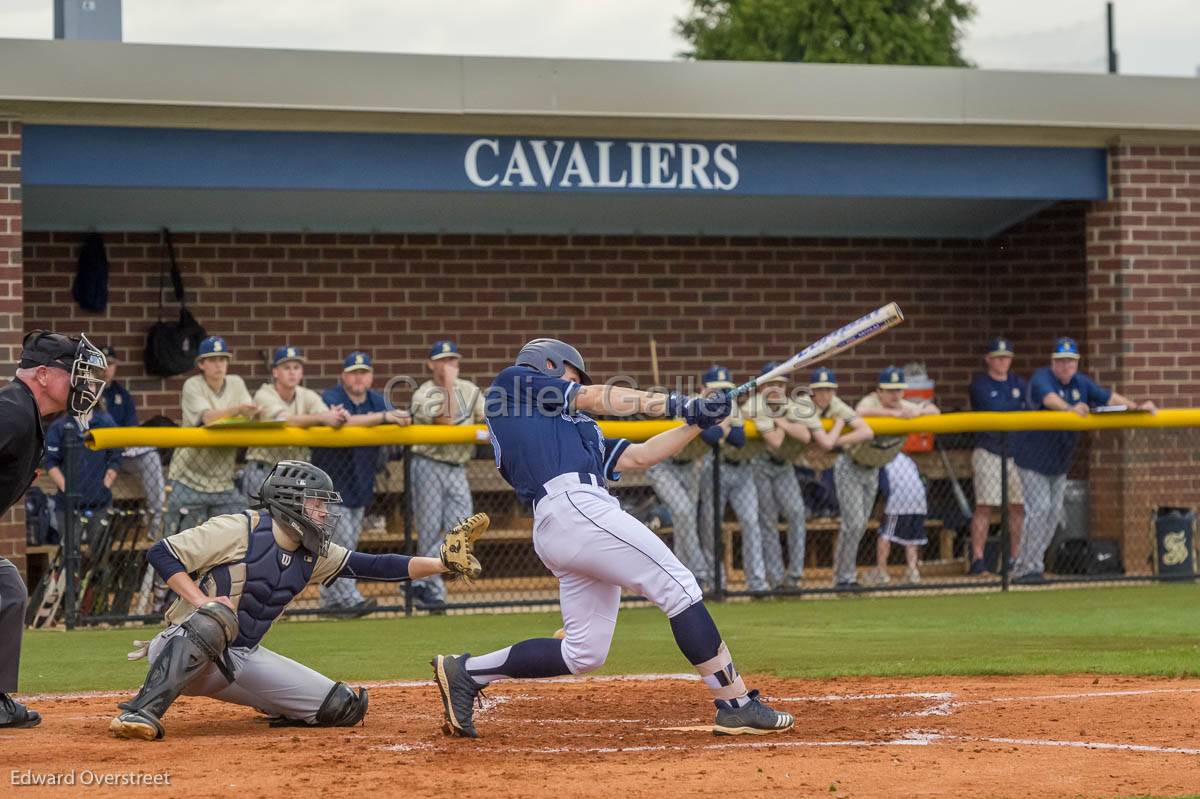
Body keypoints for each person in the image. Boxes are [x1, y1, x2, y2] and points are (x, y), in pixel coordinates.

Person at [431, 339, 794, 739]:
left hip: (572, 519)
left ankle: (465, 672)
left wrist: (697, 422)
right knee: (679, 587)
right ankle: (736, 703)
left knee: (583, 653)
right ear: (548, 364)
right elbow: (591, 396)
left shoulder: (570, 427)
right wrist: (680, 403)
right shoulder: (514, 383)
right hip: (573, 506)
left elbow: (639, 456)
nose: (576, 383)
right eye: (571, 374)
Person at [109, 460, 485, 740]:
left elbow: (375, 565)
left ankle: (275, 704)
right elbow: (161, 552)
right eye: (316, 504)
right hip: (182, 645)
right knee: (214, 619)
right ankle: (141, 711)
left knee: (342, 708)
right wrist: (201, 600)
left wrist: (441, 563)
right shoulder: (240, 528)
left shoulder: (313, 551)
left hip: (240, 660)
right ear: (290, 502)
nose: (324, 513)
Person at [0, 330, 107, 729]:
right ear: (43, 375)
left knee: (7, 586)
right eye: (73, 373)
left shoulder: (24, 412)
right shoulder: (11, 409)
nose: (83, 383)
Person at [1012, 337, 1155, 584]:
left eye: (1070, 361)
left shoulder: (1081, 382)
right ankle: (1025, 568)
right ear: (1053, 362)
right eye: (1060, 361)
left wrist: (1136, 406)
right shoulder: (1042, 377)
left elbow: (1107, 397)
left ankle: (1033, 563)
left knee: (1054, 513)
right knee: (1039, 510)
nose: (1065, 366)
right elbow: (1048, 399)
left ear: (1076, 363)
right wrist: (1070, 408)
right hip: (1032, 459)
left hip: (1058, 461)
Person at [312, 351, 412, 615]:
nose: (358, 378)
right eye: (353, 373)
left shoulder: (376, 399)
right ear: (344, 376)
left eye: (363, 372)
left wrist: (397, 416)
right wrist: (382, 418)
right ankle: (349, 598)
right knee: (341, 545)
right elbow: (343, 423)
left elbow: (400, 418)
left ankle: (330, 600)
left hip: (361, 483)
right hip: (332, 485)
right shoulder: (332, 397)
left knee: (346, 544)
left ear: (370, 377)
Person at [836, 367, 939, 589]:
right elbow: (860, 411)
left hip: (872, 469)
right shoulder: (871, 402)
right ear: (879, 391)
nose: (895, 395)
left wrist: (917, 410)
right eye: (889, 390)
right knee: (853, 523)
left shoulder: (905, 405)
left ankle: (844, 575)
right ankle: (844, 577)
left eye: (898, 390)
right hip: (851, 466)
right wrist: (896, 416)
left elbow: (934, 411)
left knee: (860, 525)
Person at [407, 341, 485, 611]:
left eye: (452, 359)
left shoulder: (470, 389)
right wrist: (449, 386)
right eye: (442, 360)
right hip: (429, 464)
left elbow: (489, 419)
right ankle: (434, 593)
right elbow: (447, 420)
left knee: (460, 529)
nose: (448, 365)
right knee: (429, 531)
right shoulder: (424, 393)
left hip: (457, 467)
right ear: (430, 364)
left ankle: (415, 581)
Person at [165, 336, 259, 534]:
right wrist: (239, 409)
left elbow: (248, 416)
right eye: (213, 360)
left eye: (223, 359)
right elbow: (208, 418)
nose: (219, 365)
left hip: (223, 482)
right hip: (187, 479)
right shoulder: (192, 384)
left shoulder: (236, 383)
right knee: (177, 545)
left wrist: (251, 412)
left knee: (240, 536)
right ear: (201, 364)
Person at [746, 362, 821, 589]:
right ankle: (777, 578)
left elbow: (806, 436)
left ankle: (794, 577)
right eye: (771, 384)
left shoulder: (788, 404)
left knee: (797, 514)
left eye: (780, 384)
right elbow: (776, 441)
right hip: (760, 464)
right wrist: (786, 422)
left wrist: (780, 420)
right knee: (767, 521)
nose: (776, 388)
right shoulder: (754, 404)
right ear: (761, 386)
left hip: (784, 466)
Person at [697, 366, 769, 593]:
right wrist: (725, 426)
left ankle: (756, 582)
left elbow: (738, 440)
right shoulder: (697, 406)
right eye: (715, 390)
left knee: (751, 522)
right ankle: (714, 579)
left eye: (725, 390)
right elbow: (709, 437)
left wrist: (722, 427)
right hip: (713, 467)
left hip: (742, 472)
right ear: (703, 390)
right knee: (710, 524)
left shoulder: (732, 406)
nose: (720, 395)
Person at [243, 346, 349, 496]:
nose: (292, 372)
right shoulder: (264, 394)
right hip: (264, 469)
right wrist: (321, 417)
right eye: (286, 367)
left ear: (301, 372)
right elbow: (285, 420)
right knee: (261, 518)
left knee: (293, 519)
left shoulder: (307, 395)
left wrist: (339, 416)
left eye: (296, 367)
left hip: (295, 472)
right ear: (275, 372)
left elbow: (327, 416)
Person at [967, 337, 1026, 575]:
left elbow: (1026, 407)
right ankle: (978, 560)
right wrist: (1014, 407)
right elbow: (999, 409)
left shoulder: (1019, 383)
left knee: (1017, 507)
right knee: (985, 506)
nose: (1002, 362)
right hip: (989, 451)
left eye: (1006, 357)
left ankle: (1015, 559)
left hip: (1016, 454)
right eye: (997, 357)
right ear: (988, 360)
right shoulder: (980, 385)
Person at [99, 346, 166, 541]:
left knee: (151, 456)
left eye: (110, 364)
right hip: (98, 456)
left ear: (115, 367)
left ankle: (155, 524)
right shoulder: (85, 392)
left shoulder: (123, 394)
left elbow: (132, 429)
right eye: (102, 364)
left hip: (122, 454)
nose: (106, 368)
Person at [646, 407, 707, 591]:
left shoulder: (726, 411)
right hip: (664, 465)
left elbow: (736, 438)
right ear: (704, 390)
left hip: (691, 467)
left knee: (685, 521)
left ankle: (681, 573)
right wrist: (719, 422)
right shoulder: (693, 407)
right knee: (684, 512)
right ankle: (699, 572)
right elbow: (713, 435)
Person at [43, 408, 122, 543]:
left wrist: (105, 485)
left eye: (91, 385)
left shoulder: (106, 421)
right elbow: (50, 461)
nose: (87, 390)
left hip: (99, 503)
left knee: (100, 553)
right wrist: (66, 487)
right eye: (82, 386)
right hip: (68, 505)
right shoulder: (59, 425)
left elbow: (116, 456)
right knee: (69, 555)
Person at [868, 452, 928, 585]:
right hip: (920, 501)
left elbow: (884, 487)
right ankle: (913, 571)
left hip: (899, 501)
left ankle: (881, 571)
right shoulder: (907, 458)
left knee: (885, 533)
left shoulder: (883, 460)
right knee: (911, 537)